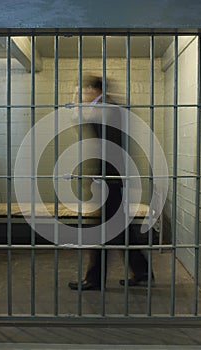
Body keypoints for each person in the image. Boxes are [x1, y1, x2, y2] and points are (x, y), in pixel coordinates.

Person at [68, 74, 154, 290]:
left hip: (111, 179)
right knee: (119, 229)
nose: (84, 94)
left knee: (103, 230)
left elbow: (82, 120)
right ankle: (142, 272)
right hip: (112, 178)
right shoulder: (109, 108)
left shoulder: (108, 109)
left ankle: (95, 280)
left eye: (85, 90)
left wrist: (77, 98)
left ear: (94, 89)